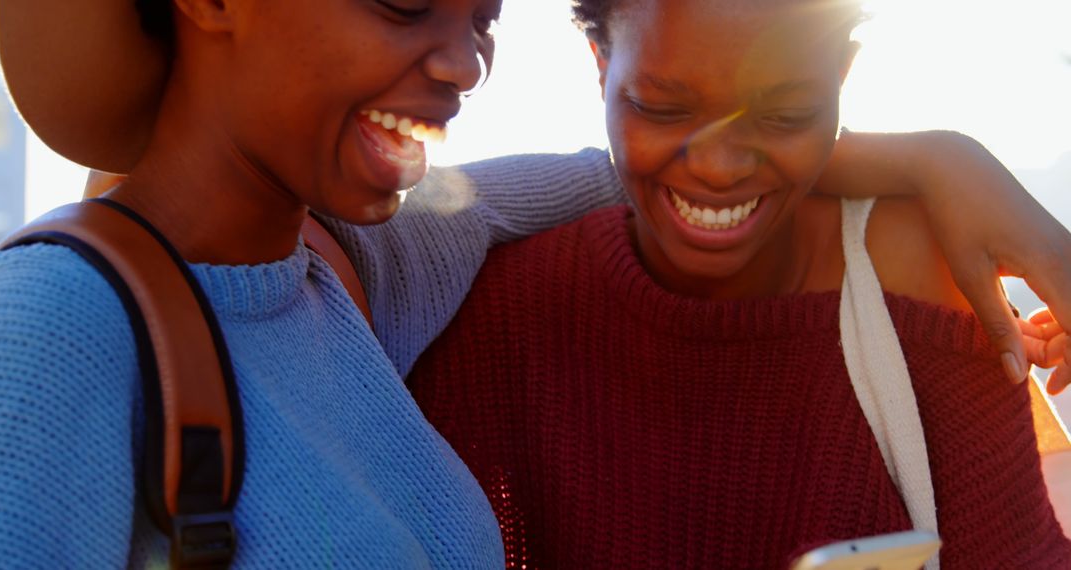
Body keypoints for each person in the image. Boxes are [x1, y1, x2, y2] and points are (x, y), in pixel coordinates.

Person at [0, 0, 1070, 569]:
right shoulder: (52, 332)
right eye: (405, 1)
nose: (464, 63)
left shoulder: (357, 277)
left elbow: (636, 169)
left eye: (482, 20)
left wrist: (942, 161)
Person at [407, 0, 1071, 567]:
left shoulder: (905, 273)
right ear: (601, 65)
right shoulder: (492, 320)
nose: (719, 168)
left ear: (841, 77)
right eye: (662, 108)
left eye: (786, 114)